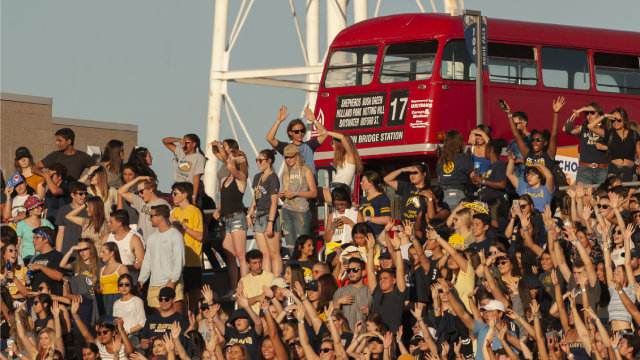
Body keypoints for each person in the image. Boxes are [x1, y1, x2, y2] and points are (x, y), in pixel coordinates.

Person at [212, 148, 249, 298]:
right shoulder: (224, 179)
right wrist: (218, 210)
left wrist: (233, 161)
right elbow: (224, 199)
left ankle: (244, 288)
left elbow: (232, 168)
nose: (228, 159)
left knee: (241, 256)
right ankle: (233, 289)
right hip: (224, 219)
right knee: (230, 257)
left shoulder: (241, 177)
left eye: (231, 158)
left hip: (237, 218)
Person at [138, 205, 185, 313]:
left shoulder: (176, 235)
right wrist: (141, 280)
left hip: (173, 283)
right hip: (154, 285)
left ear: (161, 217)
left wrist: (172, 280)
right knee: (158, 324)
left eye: (152, 216)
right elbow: (147, 261)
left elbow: (179, 260)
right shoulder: (151, 238)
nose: (149, 218)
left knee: (176, 321)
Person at [169, 182, 204, 314]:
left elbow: (200, 236)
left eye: (175, 193)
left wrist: (182, 225)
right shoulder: (174, 212)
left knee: (196, 293)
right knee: (180, 295)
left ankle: (203, 319)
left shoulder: (195, 211)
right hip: (177, 260)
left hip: (192, 259)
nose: (172, 196)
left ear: (185, 195)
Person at [266, 106, 328, 178]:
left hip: (309, 186)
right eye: (296, 131)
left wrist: (314, 120)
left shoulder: (309, 145)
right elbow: (269, 138)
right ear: (290, 132)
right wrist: (278, 120)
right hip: (294, 185)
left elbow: (325, 135)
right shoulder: (286, 147)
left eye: (302, 131)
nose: (300, 133)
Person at [506, 97, 564, 174]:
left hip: (543, 186)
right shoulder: (528, 154)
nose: (535, 142)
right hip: (528, 186)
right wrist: (509, 113)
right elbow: (516, 135)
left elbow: (554, 135)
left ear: (545, 143)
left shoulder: (549, 155)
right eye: (533, 140)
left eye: (539, 140)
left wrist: (555, 112)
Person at [247, 149, 282, 275]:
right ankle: (267, 282)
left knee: (274, 254)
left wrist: (270, 223)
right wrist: (249, 215)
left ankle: (277, 282)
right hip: (259, 217)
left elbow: (274, 202)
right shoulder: (258, 177)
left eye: (260, 160)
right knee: (264, 254)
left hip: (269, 216)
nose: (258, 163)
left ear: (269, 161)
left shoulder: (273, 178)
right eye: (257, 160)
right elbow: (255, 199)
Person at [279, 144, 317, 255]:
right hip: (286, 210)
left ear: (297, 155)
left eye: (291, 156)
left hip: (301, 211)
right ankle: (295, 269)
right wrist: (282, 195)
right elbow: (284, 199)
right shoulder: (284, 174)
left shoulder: (306, 170)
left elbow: (313, 193)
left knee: (304, 247)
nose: (288, 159)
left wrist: (296, 193)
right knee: (291, 247)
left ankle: (304, 269)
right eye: (286, 157)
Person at [366, 231, 406, 332]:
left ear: (394, 280)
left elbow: (400, 269)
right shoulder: (377, 292)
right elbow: (370, 272)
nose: (382, 281)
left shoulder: (399, 293)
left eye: (385, 278)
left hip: (392, 337)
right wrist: (371, 249)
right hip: (375, 336)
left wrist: (397, 248)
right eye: (381, 278)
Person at [587, 108, 640, 182]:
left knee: (631, 193)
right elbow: (590, 126)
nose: (615, 122)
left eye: (618, 120)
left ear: (624, 120)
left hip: (630, 171)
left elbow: (639, 153)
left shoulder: (634, 134)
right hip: (614, 171)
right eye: (613, 120)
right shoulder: (609, 133)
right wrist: (604, 116)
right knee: (614, 193)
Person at [563, 103, 608, 185]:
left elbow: (617, 147)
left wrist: (606, 148)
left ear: (599, 114)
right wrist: (578, 112)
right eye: (587, 113)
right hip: (584, 170)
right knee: (583, 196)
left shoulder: (606, 130)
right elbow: (565, 129)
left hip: (603, 170)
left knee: (601, 196)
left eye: (592, 112)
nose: (589, 115)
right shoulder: (582, 129)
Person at [118, 176, 170, 244]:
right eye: (138, 192)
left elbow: (169, 225)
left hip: (156, 243)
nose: (139, 194)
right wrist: (138, 178)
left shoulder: (163, 204)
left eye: (141, 191)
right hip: (141, 243)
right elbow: (121, 191)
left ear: (151, 189)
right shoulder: (140, 201)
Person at [32, 128, 97, 182]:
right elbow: (34, 169)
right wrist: (46, 174)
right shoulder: (55, 155)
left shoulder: (82, 156)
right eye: (57, 140)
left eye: (59, 141)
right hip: (57, 195)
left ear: (69, 141)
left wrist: (87, 176)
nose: (56, 143)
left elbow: (99, 169)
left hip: (74, 194)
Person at [316, 130, 363, 203]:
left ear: (340, 144)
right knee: (312, 197)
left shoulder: (350, 155)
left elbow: (342, 137)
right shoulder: (345, 157)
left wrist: (326, 132)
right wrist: (314, 121)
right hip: (338, 188)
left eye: (334, 143)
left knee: (310, 192)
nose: (332, 146)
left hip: (339, 188)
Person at [140, 287, 191, 352]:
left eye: (166, 299)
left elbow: (186, 342)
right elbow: (142, 344)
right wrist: (152, 343)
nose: (163, 301)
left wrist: (163, 342)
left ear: (173, 300)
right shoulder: (151, 318)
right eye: (160, 299)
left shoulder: (181, 318)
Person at [162, 134, 207, 204]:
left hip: (188, 191)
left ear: (194, 144)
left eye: (187, 143)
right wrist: (178, 139)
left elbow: (196, 178)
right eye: (183, 142)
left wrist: (194, 197)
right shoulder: (181, 152)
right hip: (177, 189)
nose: (184, 145)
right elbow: (164, 141)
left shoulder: (199, 157)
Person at [435, 130, 473, 209]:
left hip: (441, 195)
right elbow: (474, 176)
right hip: (456, 194)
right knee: (457, 220)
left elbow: (439, 179)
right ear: (459, 143)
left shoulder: (441, 159)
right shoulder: (464, 158)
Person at [104, 210, 145, 283]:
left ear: (119, 223)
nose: (108, 224)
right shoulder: (107, 238)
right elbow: (101, 259)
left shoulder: (134, 239)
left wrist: (123, 268)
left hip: (127, 285)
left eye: (111, 222)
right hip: (109, 283)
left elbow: (142, 263)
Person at [332, 257, 372, 330]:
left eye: (355, 270)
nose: (351, 272)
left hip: (365, 337)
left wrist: (369, 312)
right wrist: (338, 302)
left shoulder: (370, 291)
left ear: (363, 272)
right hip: (346, 337)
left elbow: (378, 314)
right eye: (348, 270)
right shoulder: (341, 291)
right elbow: (331, 315)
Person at [16, 196, 54, 262]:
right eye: (37, 207)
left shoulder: (46, 222)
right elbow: (17, 244)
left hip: (45, 256)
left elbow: (53, 239)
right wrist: (18, 259)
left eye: (41, 206)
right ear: (30, 210)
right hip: (28, 257)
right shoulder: (21, 224)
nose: (40, 208)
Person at [113, 274, 147, 348]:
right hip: (119, 339)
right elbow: (115, 322)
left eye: (127, 284)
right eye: (121, 284)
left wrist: (128, 331)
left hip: (133, 337)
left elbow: (142, 322)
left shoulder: (137, 301)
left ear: (131, 286)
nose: (124, 287)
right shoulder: (116, 303)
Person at [27, 227, 65, 294]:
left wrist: (41, 267)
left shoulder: (58, 256)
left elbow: (59, 276)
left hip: (52, 300)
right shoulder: (35, 258)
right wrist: (28, 278)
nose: (33, 241)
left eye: (36, 237)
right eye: (33, 238)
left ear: (46, 240)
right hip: (37, 300)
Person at [471, 138, 508, 206]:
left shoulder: (500, 164)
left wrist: (482, 181)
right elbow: (487, 184)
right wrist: (478, 182)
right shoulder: (491, 167)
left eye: (485, 149)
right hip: (486, 201)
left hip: (496, 203)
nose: (484, 151)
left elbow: (502, 184)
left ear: (490, 150)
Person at [55, 181, 88, 255]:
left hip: (85, 252)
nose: (84, 196)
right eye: (80, 194)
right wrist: (58, 254)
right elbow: (60, 233)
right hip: (67, 252)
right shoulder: (63, 210)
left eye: (85, 193)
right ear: (72, 195)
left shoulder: (90, 210)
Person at [238, 249, 275, 315]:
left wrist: (248, 301)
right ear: (247, 264)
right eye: (254, 263)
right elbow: (240, 304)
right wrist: (257, 298)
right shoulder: (243, 280)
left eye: (260, 262)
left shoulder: (269, 276)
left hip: (265, 315)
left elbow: (265, 297)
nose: (258, 265)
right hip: (249, 317)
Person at [358, 172, 391, 240]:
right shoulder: (364, 199)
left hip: (377, 236)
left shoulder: (382, 198)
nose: (361, 183)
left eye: (363, 181)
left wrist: (367, 218)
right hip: (364, 235)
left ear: (371, 183)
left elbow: (387, 220)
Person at [99, 241, 129, 316]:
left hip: (118, 297)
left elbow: (128, 287)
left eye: (103, 252)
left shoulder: (122, 268)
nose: (101, 255)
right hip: (103, 299)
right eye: (100, 252)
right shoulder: (101, 269)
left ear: (112, 253)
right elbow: (101, 289)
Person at [503, 109, 532, 184]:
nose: (513, 127)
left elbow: (539, 161)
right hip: (514, 184)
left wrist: (519, 160)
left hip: (530, 183)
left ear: (524, 123)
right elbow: (507, 161)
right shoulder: (512, 142)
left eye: (515, 124)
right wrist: (510, 161)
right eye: (512, 124)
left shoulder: (534, 140)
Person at [117, 163, 140, 230]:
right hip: (125, 223)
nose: (127, 177)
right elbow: (119, 208)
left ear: (136, 175)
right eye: (125, 174)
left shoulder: (140, 187)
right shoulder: (121, 188)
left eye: (130, 174)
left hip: (137, 223)